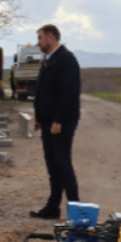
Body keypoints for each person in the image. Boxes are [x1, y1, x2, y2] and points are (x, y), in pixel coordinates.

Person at [30, 23, 81, 220]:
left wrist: (59, 120)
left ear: (51, 37)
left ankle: (75, 210)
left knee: (63, 164)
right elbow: (43, 91)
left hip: (61, 123)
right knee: (53, 166)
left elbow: (68, 93)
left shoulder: (65, 60)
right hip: (48, 122)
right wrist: (39, 118)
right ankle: (52, 208)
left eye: (41, 38)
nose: (39, 43)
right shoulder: (49, 60)